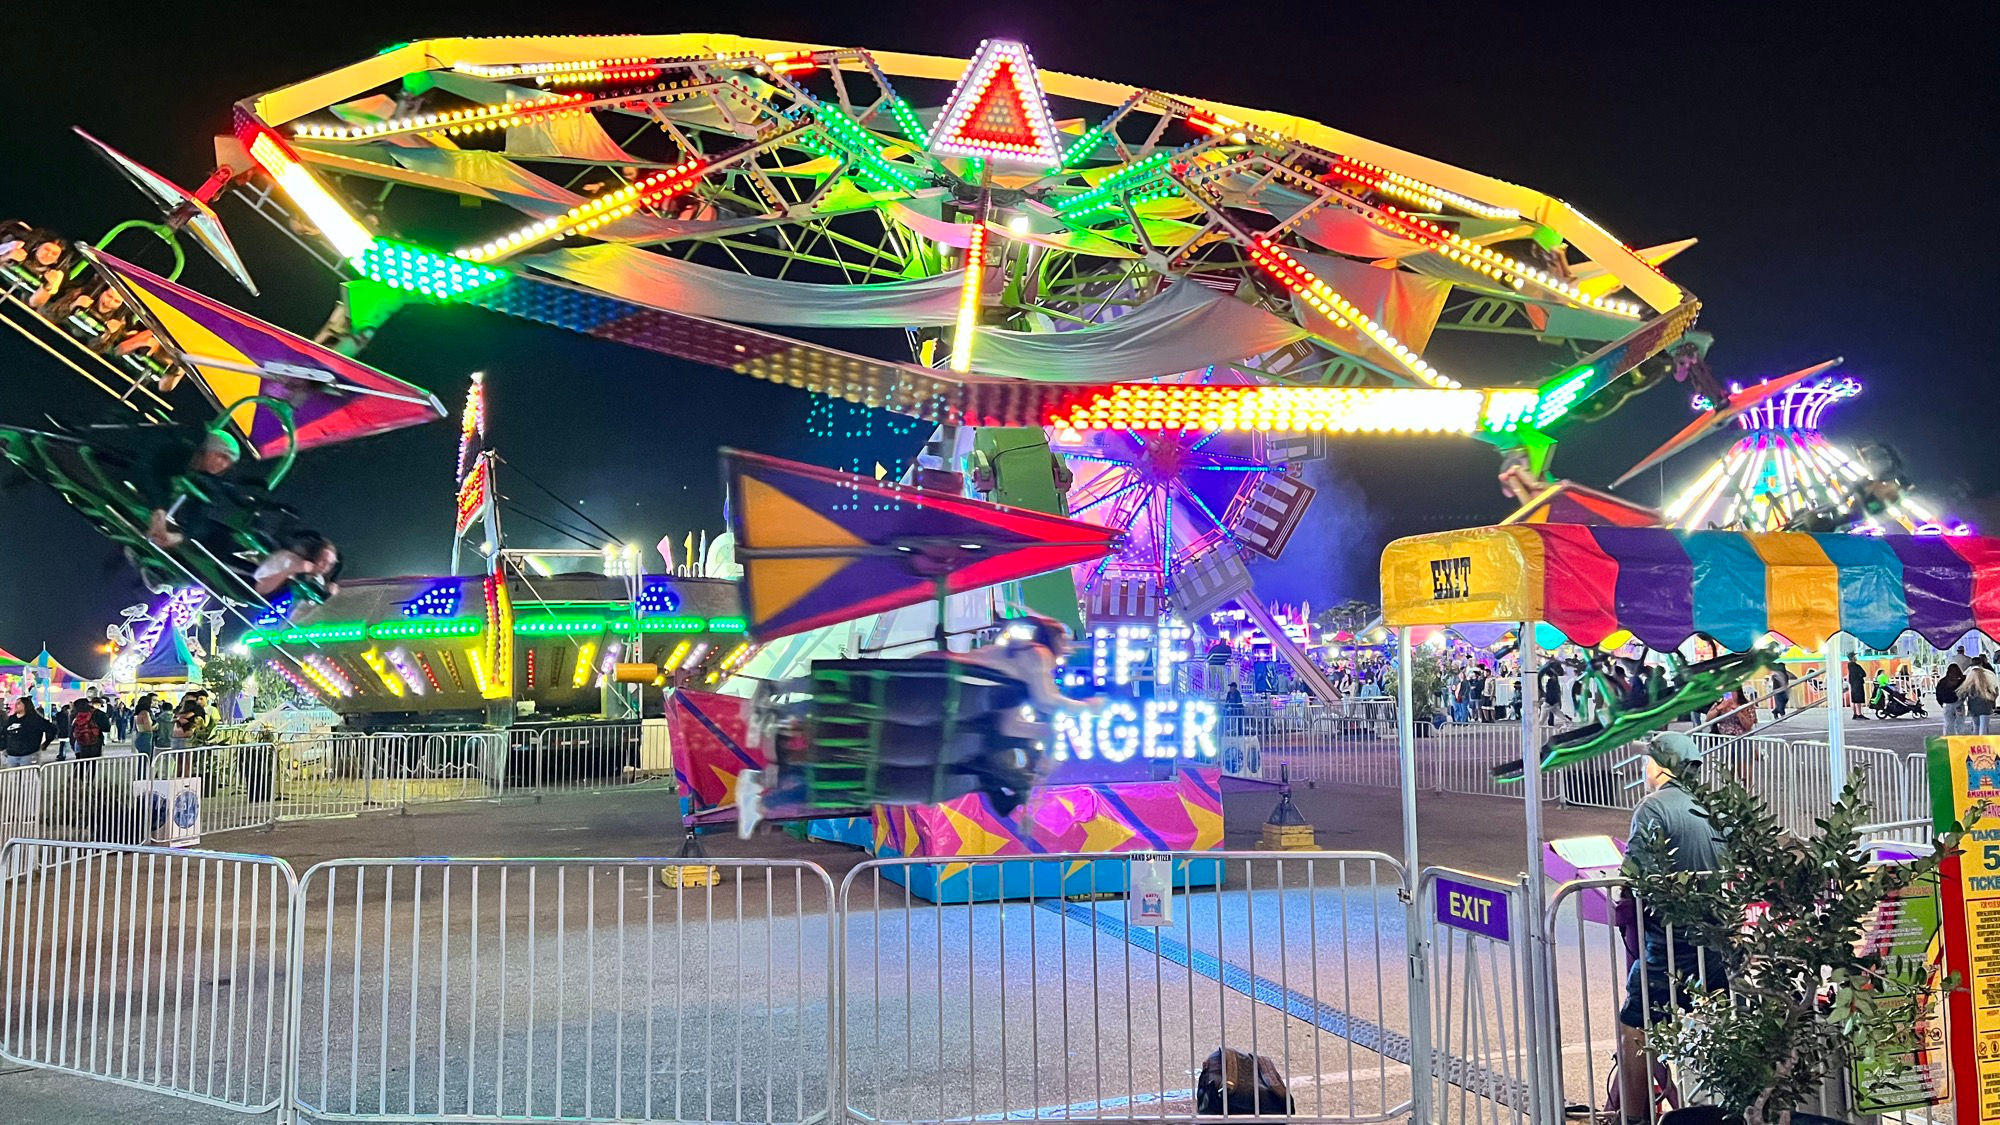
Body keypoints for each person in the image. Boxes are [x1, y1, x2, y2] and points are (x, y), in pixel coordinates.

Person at [1617, 732, 1728, 1122]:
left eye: (1648, 761)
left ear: (1662, 766)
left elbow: (1633, 874)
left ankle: (1633, 1118)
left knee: (1636, 1023)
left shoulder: (1653, 808)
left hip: (1670, 943)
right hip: (1717, 942)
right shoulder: (1713, 808)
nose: (1645, 769)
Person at [2, 698, 54, 768]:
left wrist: (46, 743)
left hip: (29, 754)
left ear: (26, 705)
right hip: (12, 754)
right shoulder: (11, 719)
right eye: (16, 703)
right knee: (13, 777)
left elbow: (51, 729)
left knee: (28, 777)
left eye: (19, 703)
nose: (16, 705)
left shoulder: (35, 719)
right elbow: (4, 733)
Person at [1962, 658, 1999, 736]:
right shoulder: (1989, 674)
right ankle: (1983, 744)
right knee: (1984, 727)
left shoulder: (1967, 674)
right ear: (1981, 663)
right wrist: (1992, 701)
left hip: (1973, 705)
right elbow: (1995, 690)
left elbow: (1963, 691)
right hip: (1986, 704)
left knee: (1976, 726)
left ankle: (1975, 743)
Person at [1939, 661, 1966, 736]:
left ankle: (1949, 738)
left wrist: (1941, 702)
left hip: (1947, 704)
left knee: (1948, 723)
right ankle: (1960, 738)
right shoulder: (1961, 681)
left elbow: (1939, 693)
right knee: (1960, 722)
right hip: (1959, 704)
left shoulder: (1943, 681)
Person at [132, 691, 158, 756]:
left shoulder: (140, 713)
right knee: (145, 759)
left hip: (141, 737)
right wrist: (157, 725)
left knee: (142, 759)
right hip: (145, 739)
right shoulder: (145, 713)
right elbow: (148, 728)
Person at [1847, 655, 1869, 720]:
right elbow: (1863, 673)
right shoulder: (1855, 666)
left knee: (1854, 700)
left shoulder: (1849, 666)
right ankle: (1859, 714)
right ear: (1852, 658)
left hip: (1853, 684)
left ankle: (1855, 713)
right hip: (1858, 684)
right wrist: (1860, 675)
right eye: (1854, 657)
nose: (1856, 658)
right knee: (1858, 699)